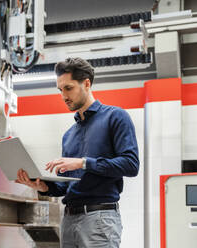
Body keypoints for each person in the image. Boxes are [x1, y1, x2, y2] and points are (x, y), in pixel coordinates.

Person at [15, 57, 139, 248]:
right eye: (60, 90)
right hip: (69, 219)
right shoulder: (69, 135)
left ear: (86, 84)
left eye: (68, 88)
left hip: (99, 219)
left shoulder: (115, 117)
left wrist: (83, 163)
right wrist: (42, 186)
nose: (63, 95)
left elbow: (131, 165)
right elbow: (69, 186)